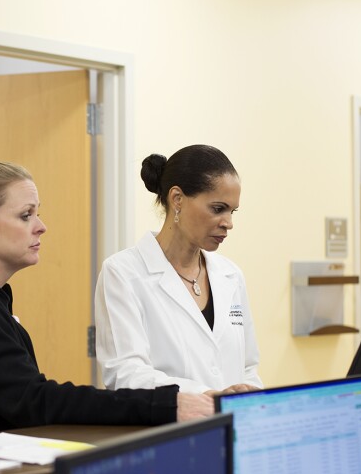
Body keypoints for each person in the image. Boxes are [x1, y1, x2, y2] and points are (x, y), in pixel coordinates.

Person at [0, 158, 214, 443]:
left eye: (37, 212)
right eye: (25, 215)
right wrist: (165, 404)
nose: (41, 226)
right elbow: (36, 401)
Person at [94, 144, 262, 396]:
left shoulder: (231, 275)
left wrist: (250, 397)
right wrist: (205, 396)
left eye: (232, 211)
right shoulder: (123, 273)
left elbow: (248, 366)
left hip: (231, 425)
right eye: (218, 209)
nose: (228, 223)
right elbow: (125, 373)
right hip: (170, 427)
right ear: (177, 199)